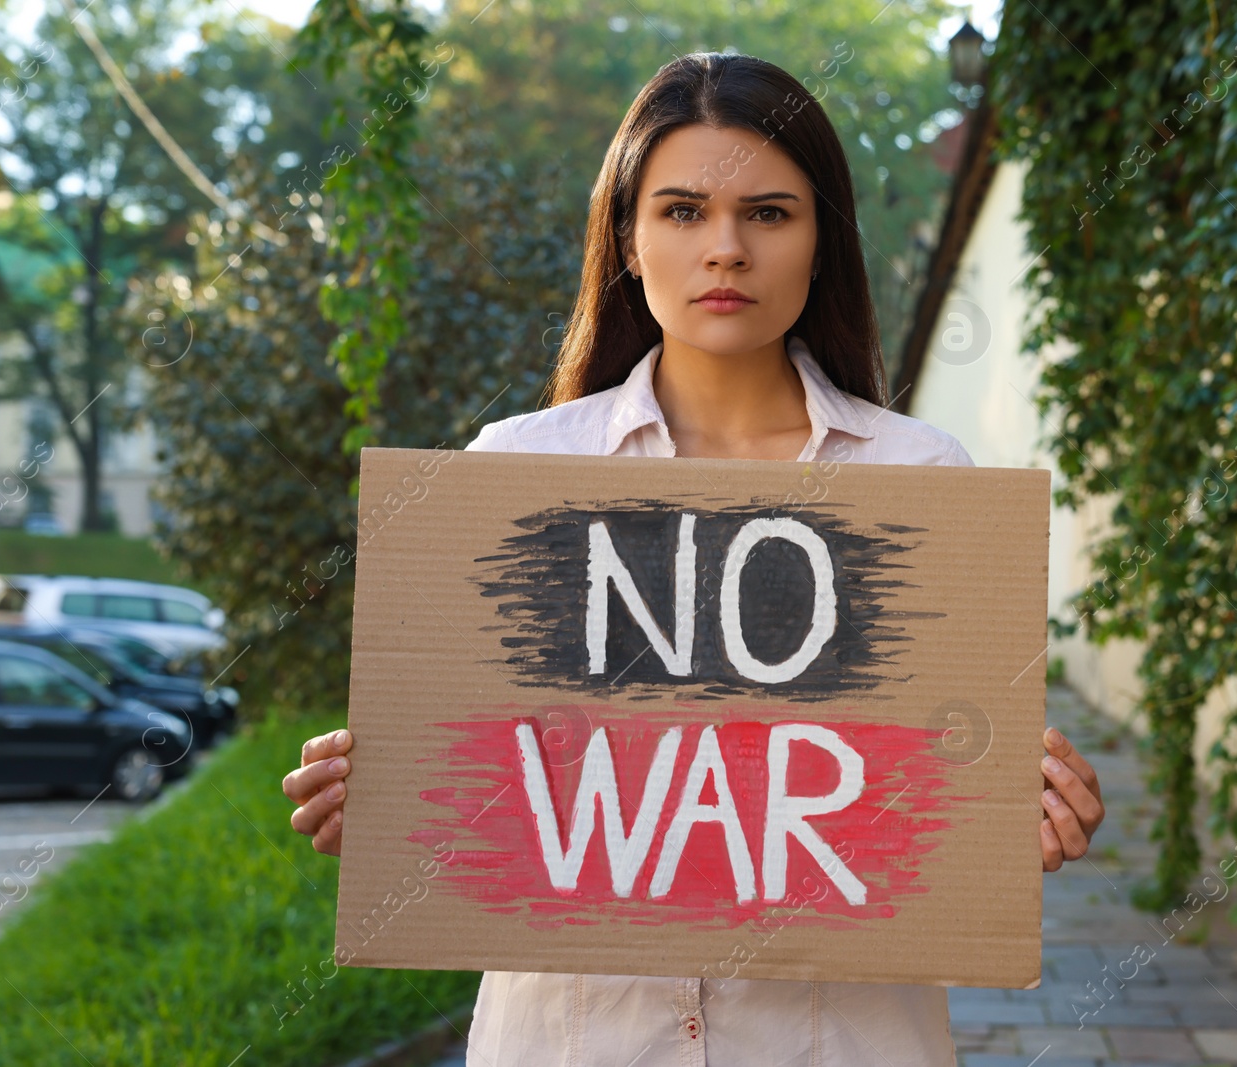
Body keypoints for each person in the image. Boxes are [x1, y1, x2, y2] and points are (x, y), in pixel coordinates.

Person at [283, 51, 1104, 1067]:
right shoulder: (516, 470)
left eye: (768, 212)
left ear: (819, 241)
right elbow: (494, 785)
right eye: (680, 211)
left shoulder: (922, 477)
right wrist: (389, 794)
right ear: (627, 237)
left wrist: (1013, 809)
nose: (725, 249)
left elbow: (936, 788)